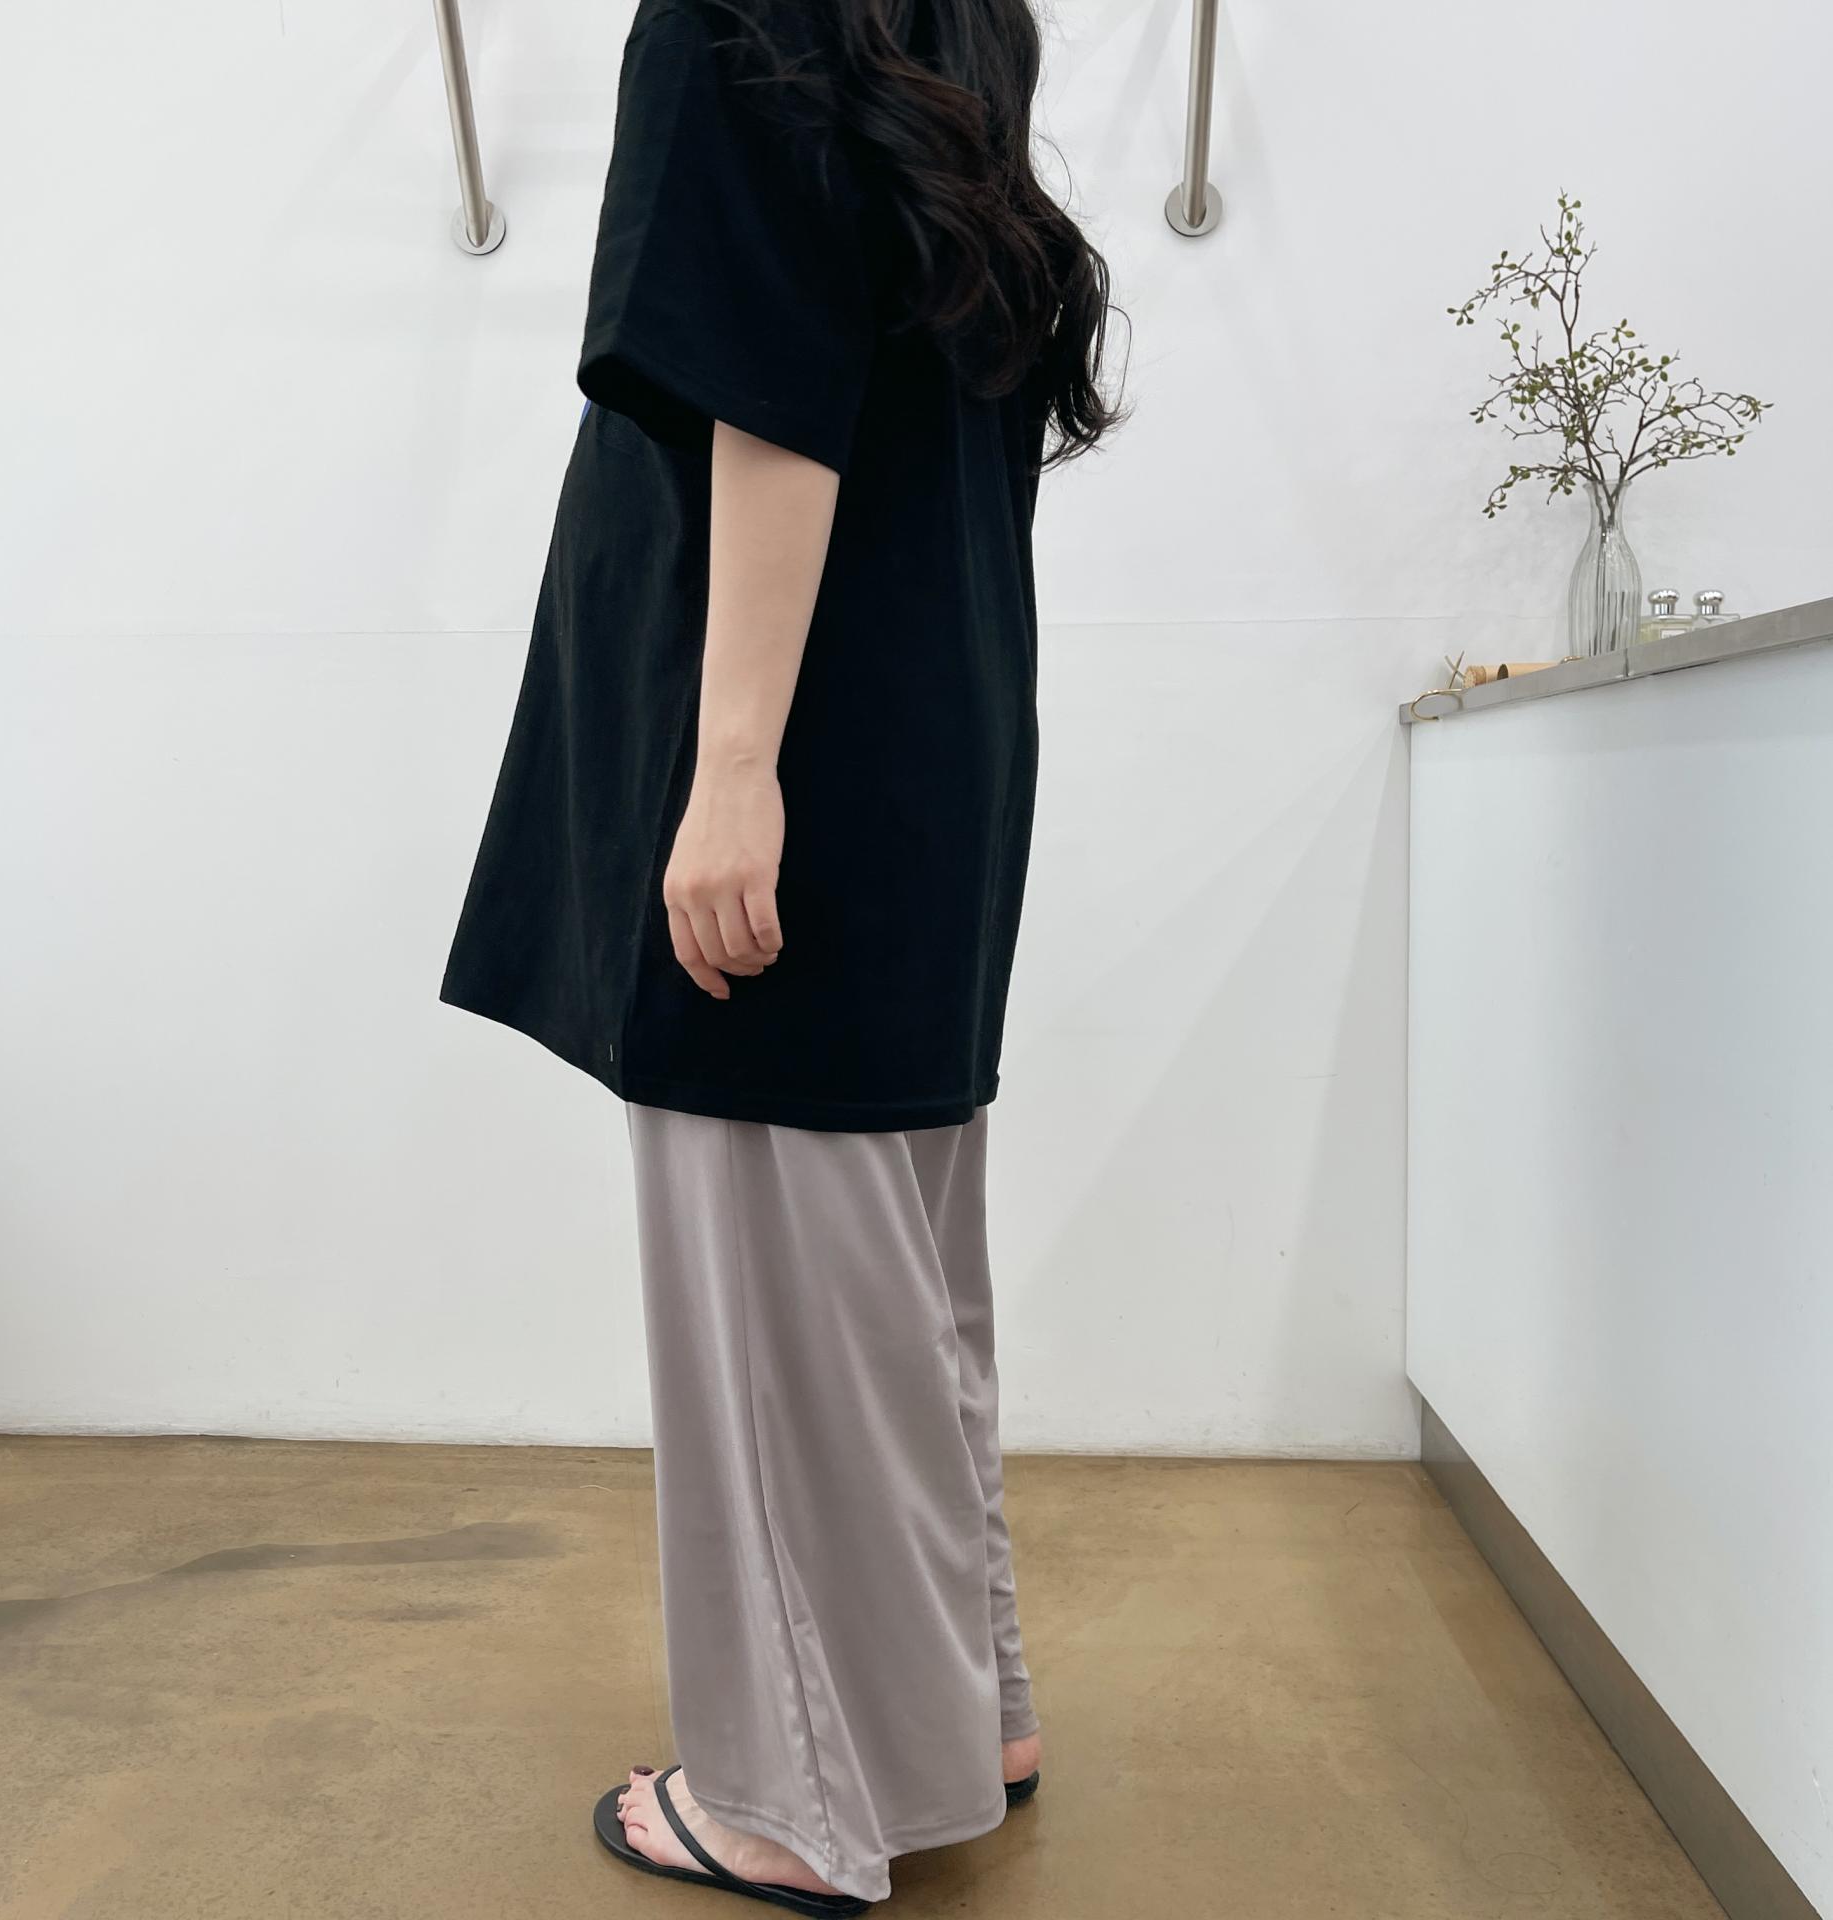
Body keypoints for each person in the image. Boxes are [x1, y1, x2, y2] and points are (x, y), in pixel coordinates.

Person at [440, 0, 1120, 1908]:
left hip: (795, 746)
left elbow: (771, 397)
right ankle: (965, 1707)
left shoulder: (736, 15)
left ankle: (795, 1801)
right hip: (932, 717)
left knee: (777, 1294)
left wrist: (731, 767)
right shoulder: (958, 16)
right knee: (900, 1272)